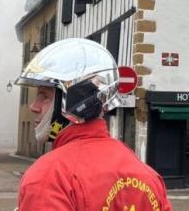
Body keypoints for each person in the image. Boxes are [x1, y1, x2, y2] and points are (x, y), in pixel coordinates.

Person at [16, 38, 172, 211]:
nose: (33, 106)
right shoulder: (148, 175)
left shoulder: (49, 176)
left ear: (76, 100)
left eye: (44, 96)